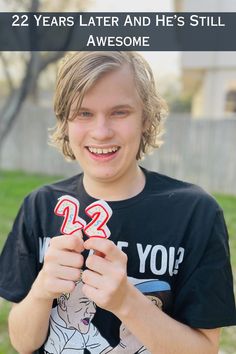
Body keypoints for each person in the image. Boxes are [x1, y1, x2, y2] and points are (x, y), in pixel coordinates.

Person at [0, 51, 235, 354]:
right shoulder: (40, 206)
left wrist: (126, 301)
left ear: (146, 119)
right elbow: (22, 342)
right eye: (84, 113)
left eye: (119, 112)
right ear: (65, 121)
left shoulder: (195, 213)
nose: (101, 132)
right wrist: (43, 290)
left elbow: (205, 349)